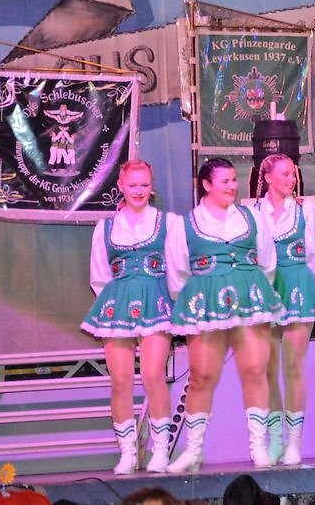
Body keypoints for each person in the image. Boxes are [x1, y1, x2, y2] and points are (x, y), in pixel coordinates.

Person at [166, 158, 282, 473]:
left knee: (255, 371)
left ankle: (259, 447)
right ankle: (193, 450)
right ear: (206, 185)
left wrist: (252, 286)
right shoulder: (185, 224)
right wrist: (199, 296)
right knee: (202, 375)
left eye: (233, 180)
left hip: (249, 298)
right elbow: (177, 273)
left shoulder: (252, 217)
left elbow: (267, 261)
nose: (232, 186)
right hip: (206, 302)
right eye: (225, 181)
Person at [82, 160, 175, 474]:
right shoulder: (106, 228)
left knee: (152, 374)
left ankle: (160, 450)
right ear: (120, 186)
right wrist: (113, 302)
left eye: (144, 185)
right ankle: (127, 453)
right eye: (133, 185)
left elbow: (178, 265)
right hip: (118, 303)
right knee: (120, 380)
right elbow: (99, 275)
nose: (139, 191)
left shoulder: (167, 222)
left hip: (156, 301)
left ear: (152, 186)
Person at [255, 154, 315, 467]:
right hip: (267, 287)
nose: (291, 179)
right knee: (268, 369)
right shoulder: (254, 212)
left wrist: (312, 284)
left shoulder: (305, 210)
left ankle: (295, 442)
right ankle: (275, 440)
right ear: (268, 177)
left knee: (294, 366)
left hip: (297, 283)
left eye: (293, 174)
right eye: (284, 174)